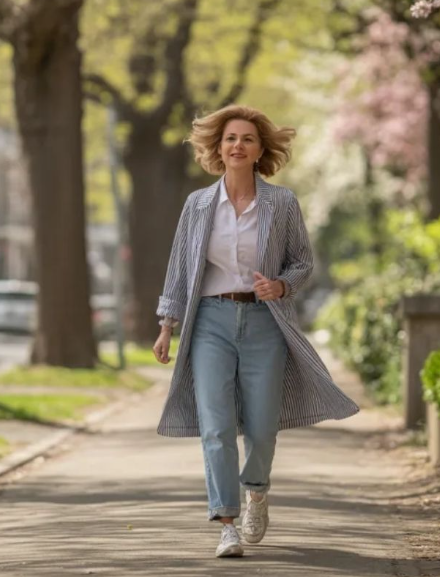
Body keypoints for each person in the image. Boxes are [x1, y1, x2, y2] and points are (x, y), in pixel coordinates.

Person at [152, 104, 359, 558]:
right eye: (230, 138)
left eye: (247, 139)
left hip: (266, 322)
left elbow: (303, 261)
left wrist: (281, 285)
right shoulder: (198, 205)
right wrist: (167, 325)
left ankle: (257, 492)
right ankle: (226, 523)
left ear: (261, 149)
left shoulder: (281, 203)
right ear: (218, 147)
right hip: (210, 322)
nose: (238, 146)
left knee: (263, 428)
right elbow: (180, 268)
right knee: (217, 426)